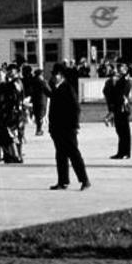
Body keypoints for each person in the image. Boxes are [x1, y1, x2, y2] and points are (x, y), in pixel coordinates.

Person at [46, 63, 90, 191]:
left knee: (74, 154)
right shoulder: (56, 88)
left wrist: (74, 125)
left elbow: (76, 108)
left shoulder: (68, 88)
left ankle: (84, 180)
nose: (54, 77)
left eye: (56, 74)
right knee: (60, 155)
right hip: (57, 128)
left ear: (61, 76)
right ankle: (63, 181)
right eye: (53, 74)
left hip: (68, 128)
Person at [102, 66, 132, 160]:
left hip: (122, 109)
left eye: (120, 71)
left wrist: (113, 110)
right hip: (117, 108)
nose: (117, 73)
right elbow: (107, 92)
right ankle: (121, 152)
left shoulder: (124, 80)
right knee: (120, 131)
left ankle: (126, 153)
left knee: (124, 132)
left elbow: (122, 95)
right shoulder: (114, 81)